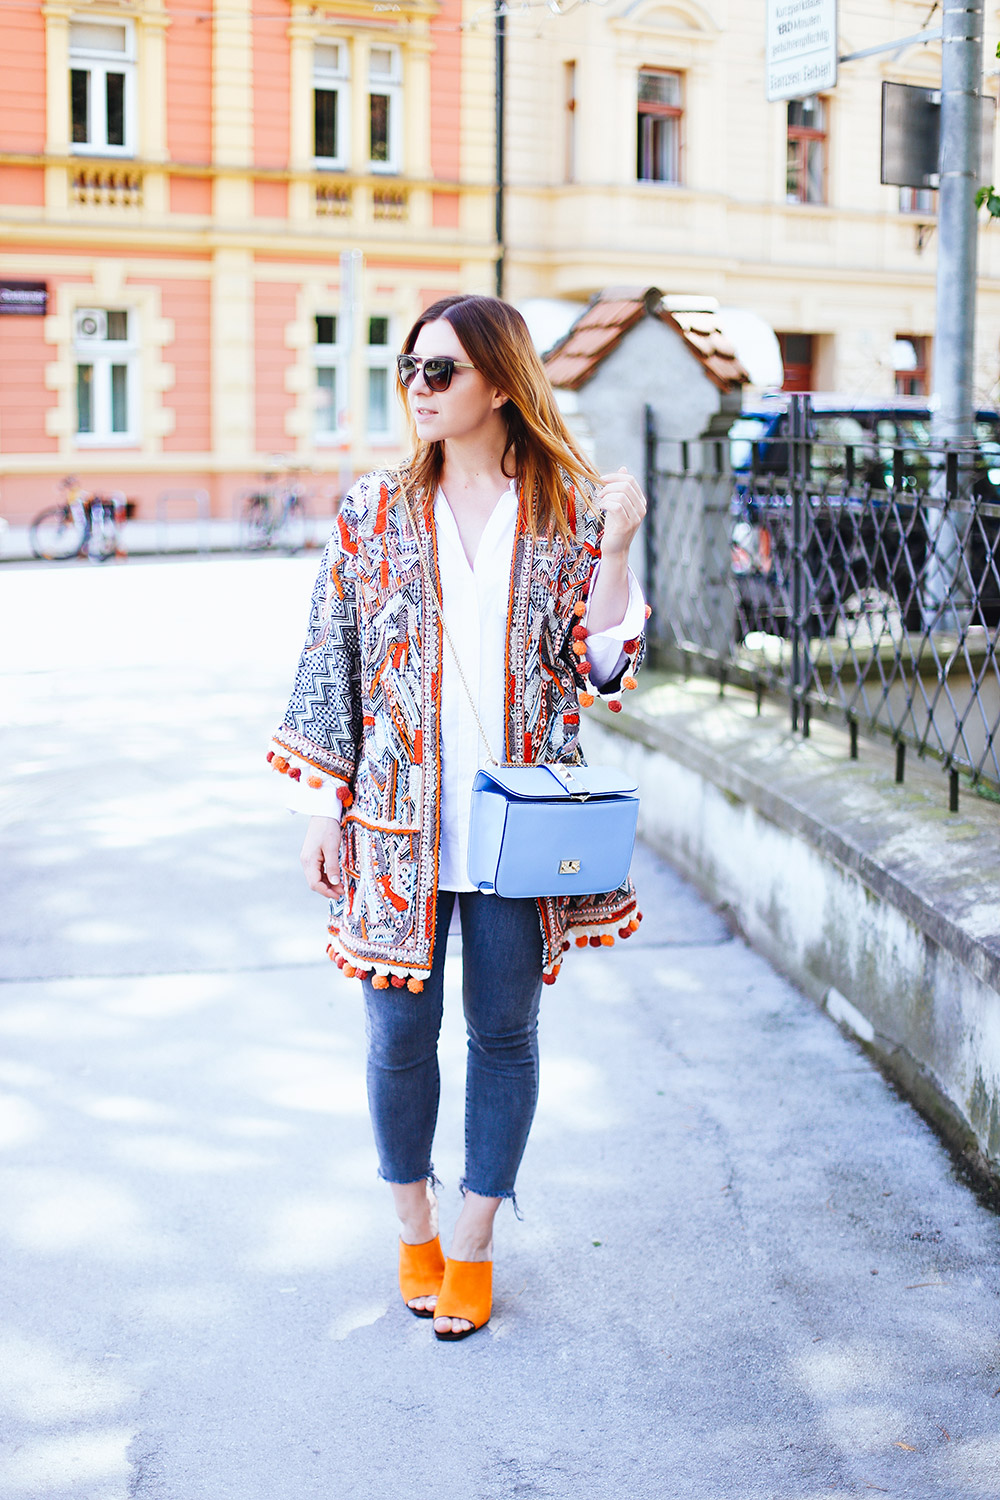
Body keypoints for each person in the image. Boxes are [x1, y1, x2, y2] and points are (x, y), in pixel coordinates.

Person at [268, 294, 647, 1340]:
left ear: (498, 380)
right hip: (395, 822)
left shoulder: (566, 506)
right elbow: (327, 661)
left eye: (440, 371)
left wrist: (616, 547)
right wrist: (320, 805)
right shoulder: (374, 511)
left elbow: (603, 664)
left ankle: (474, 1238)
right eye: (410, 370)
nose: (419, 390)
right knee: (397, 1034)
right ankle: (413, 1226)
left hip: (517, 829)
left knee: (505, 1033)